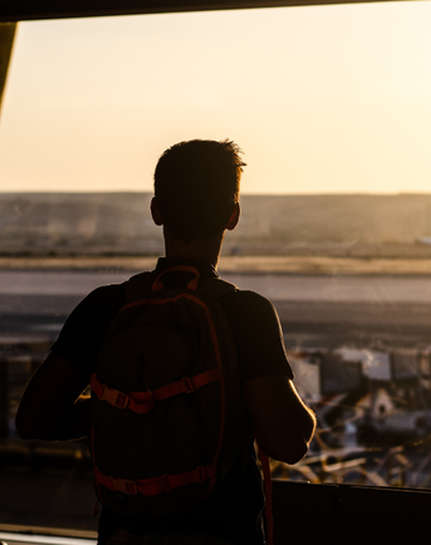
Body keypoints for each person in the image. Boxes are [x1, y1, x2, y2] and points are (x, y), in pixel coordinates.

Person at [16, 139, 316, 545]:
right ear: (233, 216)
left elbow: (34, 419)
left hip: (125, 535)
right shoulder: (245, 313)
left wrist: (132, 409)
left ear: (156, 212)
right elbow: (287, 442)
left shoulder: (106, 306)